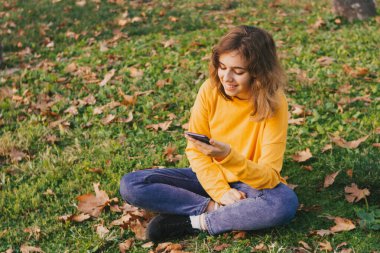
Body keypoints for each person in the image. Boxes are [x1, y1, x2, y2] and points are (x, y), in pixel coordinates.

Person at [119, 25, 299, 242]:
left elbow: (269, 176)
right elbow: (195, 150)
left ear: (258, 72)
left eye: (238, 71)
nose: (227, 78)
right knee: (132, 184)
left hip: (248, 184)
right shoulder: (210, 89)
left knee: (284, 203)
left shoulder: (274, 103)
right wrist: (219, 193)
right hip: (206, 177)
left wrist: (228, 157)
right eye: (222, 67)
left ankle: (195, 222)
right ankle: (212, 210)